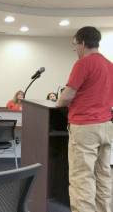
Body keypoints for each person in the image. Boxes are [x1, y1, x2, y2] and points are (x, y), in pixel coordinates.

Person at [57, 26, 113, 212]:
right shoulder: (109, 65)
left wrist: (58, 101)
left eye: (75, 45)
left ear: (82, 43)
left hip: (85, 127)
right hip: (106, 126)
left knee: (82, 178)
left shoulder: (83, 64)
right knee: (104, 175)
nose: (75, 50)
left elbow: (65, 97)